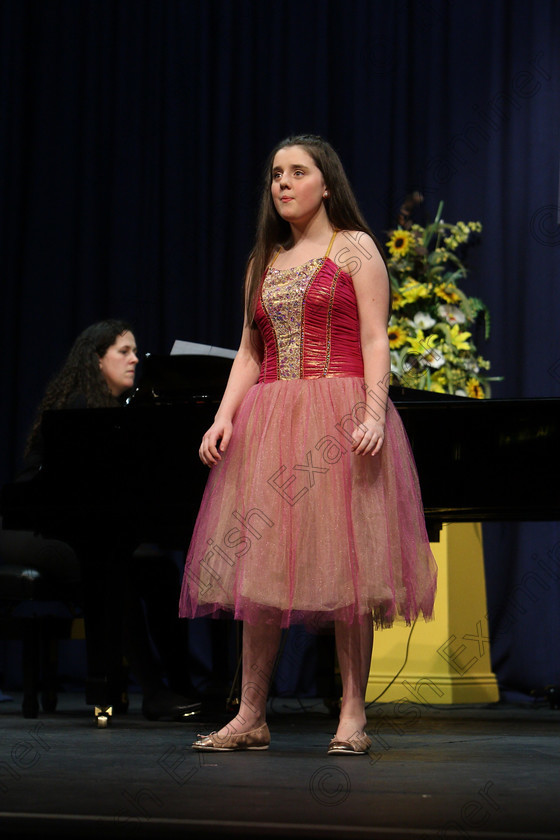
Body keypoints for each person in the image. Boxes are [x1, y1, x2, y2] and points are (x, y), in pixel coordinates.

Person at [179, 135, 437, 754]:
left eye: (298, 172)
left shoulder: (356, 248)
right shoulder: (263, 260)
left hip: (340, 414)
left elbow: (377, 340)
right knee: (259, 567)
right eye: (275, 175)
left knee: (351, 566)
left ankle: (352, 715)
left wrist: (374, 413)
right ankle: (250, 714)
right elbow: (249, 351)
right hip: (270, 419)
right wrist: (222, 418)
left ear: (328, 183)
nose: (283, 184)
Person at [21, 319, 200, 720]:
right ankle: (150, 692)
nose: (135, 359)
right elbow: (60, 498)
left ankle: (182, 686)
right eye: (124, 351)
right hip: (31, 531)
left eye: (135, 351)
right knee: (113, 574)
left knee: (159, 575)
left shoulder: (118, 414)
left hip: (77, 533)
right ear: (96, 360)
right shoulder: (81, 409)